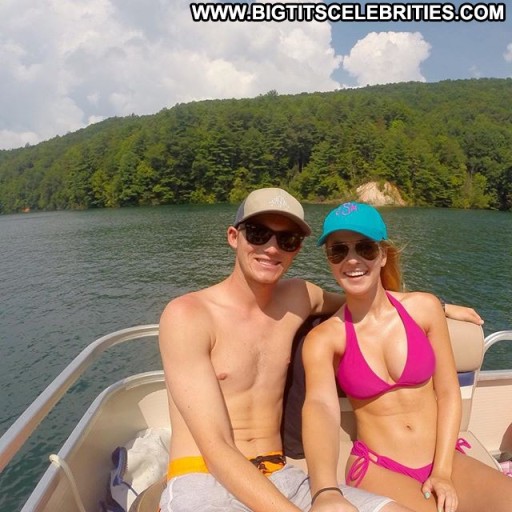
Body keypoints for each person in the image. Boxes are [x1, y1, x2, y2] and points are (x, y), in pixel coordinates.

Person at [158, 188, 481, 512]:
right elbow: (216, 448)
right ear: (233, 236)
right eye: (258, 234)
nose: (271, 248)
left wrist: (440, 307)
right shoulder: (188, 316)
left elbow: (365, 297)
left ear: (296, 249)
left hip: (280, 475)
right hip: (204, 478)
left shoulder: (299, 297)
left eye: (287, 240)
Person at [302, 201, 512, 512]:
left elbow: (448, 392)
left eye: (365, 248)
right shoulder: (325, 339)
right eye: (339, 251)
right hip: (379, 467)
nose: (352, 259)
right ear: (329, 260)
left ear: (383, 255)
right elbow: (319, 408)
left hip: (443, 458)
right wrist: (323, 490)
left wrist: (442, 471)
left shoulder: (425, 309)